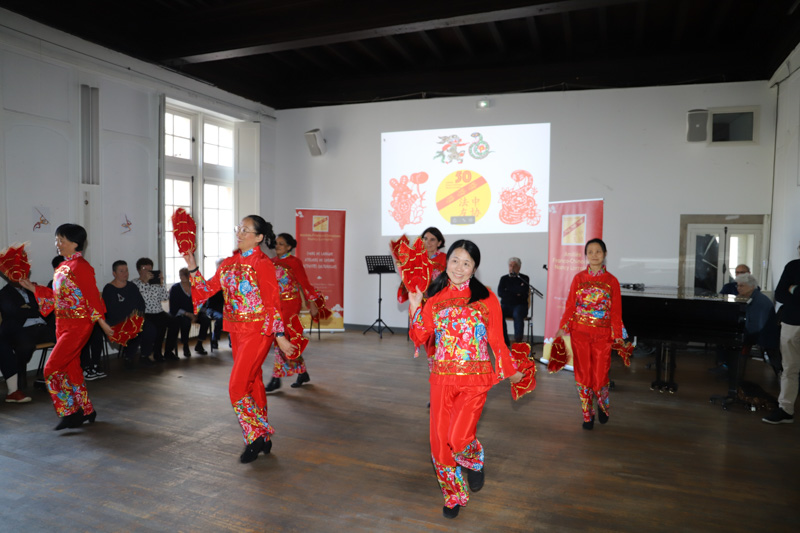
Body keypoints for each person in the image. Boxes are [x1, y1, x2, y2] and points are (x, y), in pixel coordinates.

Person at [408, 240, 523, 519]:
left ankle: (473, 459)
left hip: (475, 381)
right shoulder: (435, 298)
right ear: (447, 262)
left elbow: (497, 339)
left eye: (466, 263)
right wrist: (415, 307)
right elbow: (419, 337)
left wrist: (509, 369)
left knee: (459, 438)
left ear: (474, 269)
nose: (459, 268)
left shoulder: (486, 299)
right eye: (455, 261)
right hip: (442, 379)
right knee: (439, 441)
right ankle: (453, 494)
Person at [183, 215, 296, 463]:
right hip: (235, 330)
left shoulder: (263, 264)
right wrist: (192, 265)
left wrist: (279, 336)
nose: (240, 233)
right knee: (252, 381)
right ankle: (264, 437)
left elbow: (272, 303)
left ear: (258, 238)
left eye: (246, 230)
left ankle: (255, 436)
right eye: (239, 228)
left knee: (236, 387)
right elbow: (205, 290)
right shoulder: (229, 263)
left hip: (258, 332)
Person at [20, 223, 113, 430]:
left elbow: (92, 298)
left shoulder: (82, 267)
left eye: (61, 240)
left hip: (78, 326)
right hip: (62, 324)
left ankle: (71, 412)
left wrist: (103, 325)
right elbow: (57, 298)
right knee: (72, 371)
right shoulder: (63, 267)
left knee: (51, 368)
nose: (57, 244)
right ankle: (87, 410)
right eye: (57, 240)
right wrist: (32, 287)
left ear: (75, 243)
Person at [555, 238, 625, 430]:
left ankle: (603, 405)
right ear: (586, 255)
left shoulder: (612, 281)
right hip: (580, 334)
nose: (594, 255)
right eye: (591, 252)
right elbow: (571, 305)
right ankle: (587, 414)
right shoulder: (578, 278)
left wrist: (618, 334)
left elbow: (616, 311)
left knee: (600, 376)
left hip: (603, 336)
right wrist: (563, 326)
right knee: (583, 375)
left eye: (598, 251)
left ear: (605, 254)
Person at [265, 233, 322, 391]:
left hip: (290, 305)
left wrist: (312, 303)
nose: (277, 246)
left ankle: (276, 379)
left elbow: (304, 283)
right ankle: (302, 372)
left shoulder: (295, 262)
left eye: (281, 244)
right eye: (276, 243)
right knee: (284, 340)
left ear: (289, 247)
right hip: (277, 305)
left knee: (281, 338)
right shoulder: (272, 262)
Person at [0, 272, 56, 402]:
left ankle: (57, 377)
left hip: (41, 327)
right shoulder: (4, 293)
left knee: (62, 338)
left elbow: (45, 307)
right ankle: (19, 375)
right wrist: (35, 309)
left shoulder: (31, 290)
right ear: (9, 277)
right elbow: (14, 312)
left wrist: (28, 309)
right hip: (21, 329)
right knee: (25, 345)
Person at [763, 244, 800, 424]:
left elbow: (788, 294)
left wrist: (794, 289)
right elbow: (780, 294)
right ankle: (786, 409)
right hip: (791, 323)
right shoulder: (793, 266)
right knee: (789, 368)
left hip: (793, 317)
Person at [102, 260, 147, 369]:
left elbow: (141, 304)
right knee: (134, 330)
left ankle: (145, 356)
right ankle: (128, 358)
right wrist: (128, 318)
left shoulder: (132, 286)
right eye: (121, 271)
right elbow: (110, 311)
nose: (125, 273)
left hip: (133, 319)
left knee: (150, 327)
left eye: (126, 270)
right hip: (117, 322)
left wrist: (137, 316)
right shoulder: (109, 289)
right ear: (114, 273)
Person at [133, 258, 178, 361]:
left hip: (159, 311)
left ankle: (168, 352)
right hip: (145, 313)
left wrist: (161, 283)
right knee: (160, 326)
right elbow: (139, 298)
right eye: (145, 269)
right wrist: (144, 282)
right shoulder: (135, 283)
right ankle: (157, 353)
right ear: (139, 270)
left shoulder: (155, 282)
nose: (148, 271)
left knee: (175, 322)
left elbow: (165, 297)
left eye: (150, 269)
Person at [169, 267, 211, 356]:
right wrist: (188, 314)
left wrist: (196, 313)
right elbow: (173, 307)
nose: (182, 277)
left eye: (185, 275)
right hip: (181, 313)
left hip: (195, 312)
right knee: (185, 322)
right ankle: (185, 345)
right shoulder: (175, 288)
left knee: (206, 320)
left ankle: (199, 344)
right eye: (181, 275)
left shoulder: (195, 287)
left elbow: (202, 302)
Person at [497, 257, 530, 344]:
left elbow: (523, 293)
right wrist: (516, 293)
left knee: (517, 313)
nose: (512, 268)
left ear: (519, 267)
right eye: (510, 265)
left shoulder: (524, 278)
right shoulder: (503, 278)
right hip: (506, 306)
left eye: (514, 266)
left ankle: (518, 342)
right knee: (498, 313)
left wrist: (508, 291)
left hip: (520, 306)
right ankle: (505, 341)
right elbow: (500, 293)